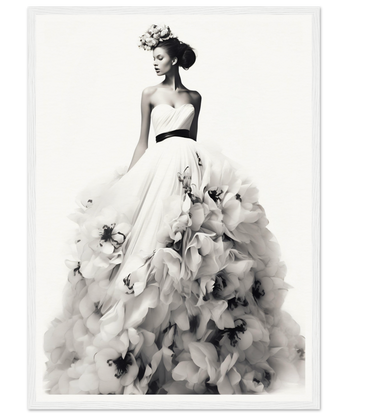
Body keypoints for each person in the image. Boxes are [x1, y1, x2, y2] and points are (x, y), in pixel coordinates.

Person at [44, 24, 305, 395]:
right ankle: (140, 332)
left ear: (174, 57)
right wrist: (128, 181)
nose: (155, 64)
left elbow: (193, 139)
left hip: (190, 166)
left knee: (194, 243)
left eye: (160, 57)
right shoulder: (149, 94)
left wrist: (199, 179)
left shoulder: (195, 97)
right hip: (157, 165)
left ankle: (195, 334)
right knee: (150, 241)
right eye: (152, 58)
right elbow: (142, 141)